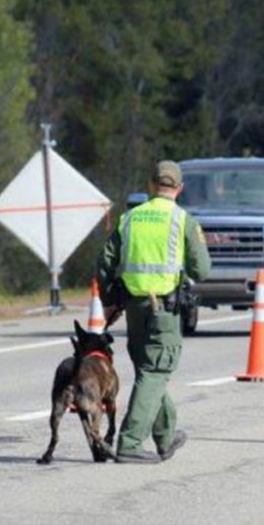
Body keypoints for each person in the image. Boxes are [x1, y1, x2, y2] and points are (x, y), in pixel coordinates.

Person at [97, 161, 211, 464]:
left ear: (150, 185)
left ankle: (166, 436)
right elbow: (202, 269)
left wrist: (110, 300)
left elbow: (105, 263)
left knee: (149, 372)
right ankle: (130, 443)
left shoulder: (129, 219)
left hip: (134, 307)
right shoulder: (182, 220)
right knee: (156, 371)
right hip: (164, 309)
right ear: (180, 188)